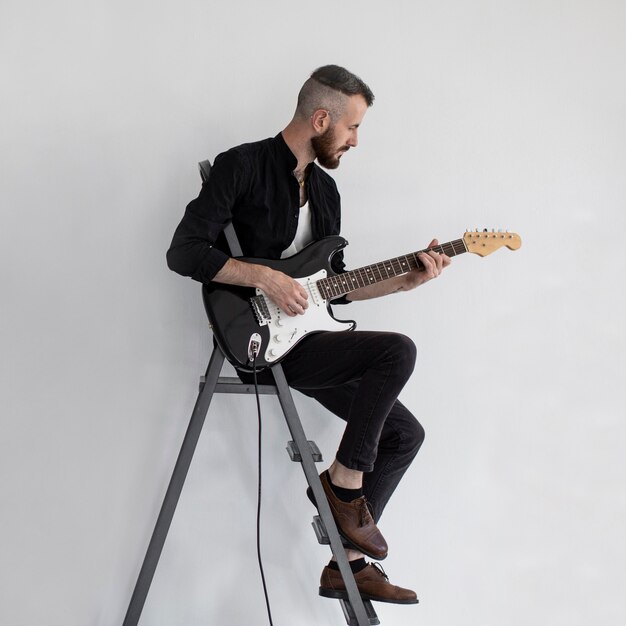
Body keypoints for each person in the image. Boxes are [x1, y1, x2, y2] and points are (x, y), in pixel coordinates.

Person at [167, 65, 451, 604]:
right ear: (321, 118)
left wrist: (406, 282)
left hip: (312, 342)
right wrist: (263, 276)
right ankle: (342, 483)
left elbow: (333, 290)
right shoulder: (242, 165)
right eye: (351, 128)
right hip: (261, 341)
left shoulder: (325, 191)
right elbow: (183, 251)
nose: (355, 140)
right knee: (398, 351)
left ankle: (347, 562)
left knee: (404, 435)